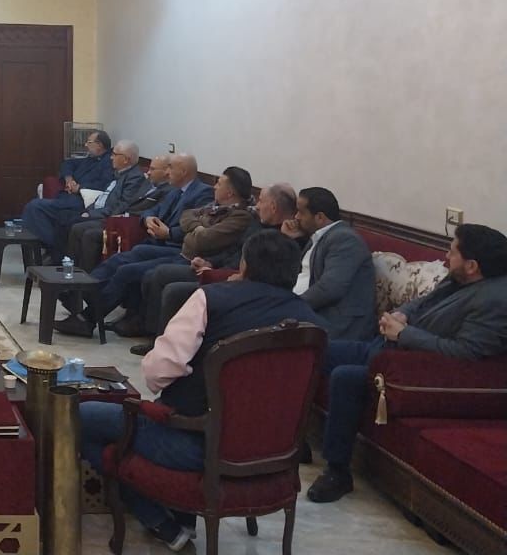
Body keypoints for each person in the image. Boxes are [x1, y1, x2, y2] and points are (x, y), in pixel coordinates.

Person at [80, 230, 327, 552]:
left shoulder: (210, 300)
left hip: (196, 449)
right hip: (274, 458)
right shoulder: (312, 324)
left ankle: (161, 521)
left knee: (80, 416)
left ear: (245, 264)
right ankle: (182, 518)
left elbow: (159, 372)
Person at [308, 223, 507, 504]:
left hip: (412, 369)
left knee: (345, 377)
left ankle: (337, 471)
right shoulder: (459, 279)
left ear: (472, 265)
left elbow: (465, 352)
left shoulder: (494, 301)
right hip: (384, 350)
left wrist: (404, 334)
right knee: (313, 350)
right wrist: (401, 314)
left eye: (452, 252)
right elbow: (422, 303)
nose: (446, 256)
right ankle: (291, 439)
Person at [56, 153, 212, 338]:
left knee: (127, 270)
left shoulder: (203, 193)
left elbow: (198, 229)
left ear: (184, 171)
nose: (167, 172)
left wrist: (169, 233)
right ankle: (82, 292)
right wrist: (148, 219)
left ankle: (87, 317)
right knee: (119, 259)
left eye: (171, 168)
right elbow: (151, 211)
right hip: (158, 243)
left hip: (179, 249)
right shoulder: (175, 191)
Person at [137, 182, 299, 354]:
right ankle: (154, 335)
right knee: (161, 273)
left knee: (174, 291)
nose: (257, 206)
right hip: (219, 269)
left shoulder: (285, 238)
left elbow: (259, 272)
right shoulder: (255, 222)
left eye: (261, 201)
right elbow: (233, 251)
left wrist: (216, 273)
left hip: (236, 280)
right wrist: (210, 263)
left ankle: (167, 349)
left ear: (273, 207)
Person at [102, 166, 256, 339]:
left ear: (229, 193)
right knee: (133, 255)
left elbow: (203, 239)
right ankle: (106, 306)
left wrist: (197, 227)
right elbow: (186, 216)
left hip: (197, 261)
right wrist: (199, 226)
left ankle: (112, 318)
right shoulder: (215, 206)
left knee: (135, 271)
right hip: (183, 252)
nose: (214, 186)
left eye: (219, 184)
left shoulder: (240, 216)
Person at [293, 187, 377, 341]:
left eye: (301, 212)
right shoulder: (319, 236)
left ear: (319, 217)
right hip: (311, 311)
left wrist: (292, 305)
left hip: (338, 323)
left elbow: (329, 289)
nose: (296, 217)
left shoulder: (344, 239)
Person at [69, 153, 171, 272]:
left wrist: (122, 216)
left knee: (90, 234)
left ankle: (87, 277)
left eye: (153, 169)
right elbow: (129, 202)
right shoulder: (148, 182)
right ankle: (72, 271)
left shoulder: (168, 191)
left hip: (134, 224)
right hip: (121, 218)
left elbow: (154, 213)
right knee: (77, 227)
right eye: (149, 168)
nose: (148, 172)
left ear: (167, 171)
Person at [20, 131, 115, 256]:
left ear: (99, 145)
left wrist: (79, 188)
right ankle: (53, 249)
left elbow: (105, 185)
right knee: (37, 211)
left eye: (89, 142)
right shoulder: (90, 159)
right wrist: (69, 179)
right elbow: (67, 163)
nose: (86, 145)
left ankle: (54, 248)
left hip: (81, 201)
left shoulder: (108, 162)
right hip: (68, 197)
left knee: (35, 207)